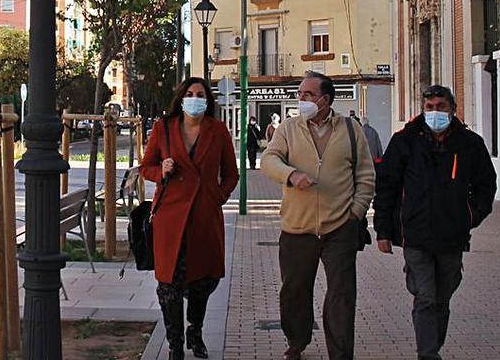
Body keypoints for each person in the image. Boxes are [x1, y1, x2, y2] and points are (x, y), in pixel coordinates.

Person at [373, 85, 496, 360]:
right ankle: (428, 355)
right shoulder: (405, 141)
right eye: (430, 108)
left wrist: (469, 217)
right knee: (426, 297)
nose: (435, 112)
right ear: (423, 109)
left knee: (442, 298)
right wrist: (383, 230)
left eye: (441, 107)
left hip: (452, 237)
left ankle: (432, 346)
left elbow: (486, 186)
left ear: (452, 109)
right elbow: (387, 186)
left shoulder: (469, 144)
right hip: (415, 235)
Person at [261, 71, 375, 360]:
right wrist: (291, 175)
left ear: (325, 99)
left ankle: (340, 353)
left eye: (308, 95)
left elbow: (365, 174)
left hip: (340, 226)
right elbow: (269, 160)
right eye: (300, 94)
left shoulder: (350, 129)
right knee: (294, 292)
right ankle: (297, 341)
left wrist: (356, 212)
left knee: (341, 295)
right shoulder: (288, 128)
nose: (301, 99)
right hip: (297, 228)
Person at [139, 77, 239, 360]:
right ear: (181, 98)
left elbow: (231, 173)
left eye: (201, 94)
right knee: (169, 284)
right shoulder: (163, 129)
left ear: (207, 101)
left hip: (204, 217)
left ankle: (195, 330)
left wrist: (218, 197)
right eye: (191, 93)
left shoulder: (218, 131)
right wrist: (162, 170)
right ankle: (175, 345)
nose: (195, 98)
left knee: (202, 281)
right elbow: (146, 167)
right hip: (171, 218)